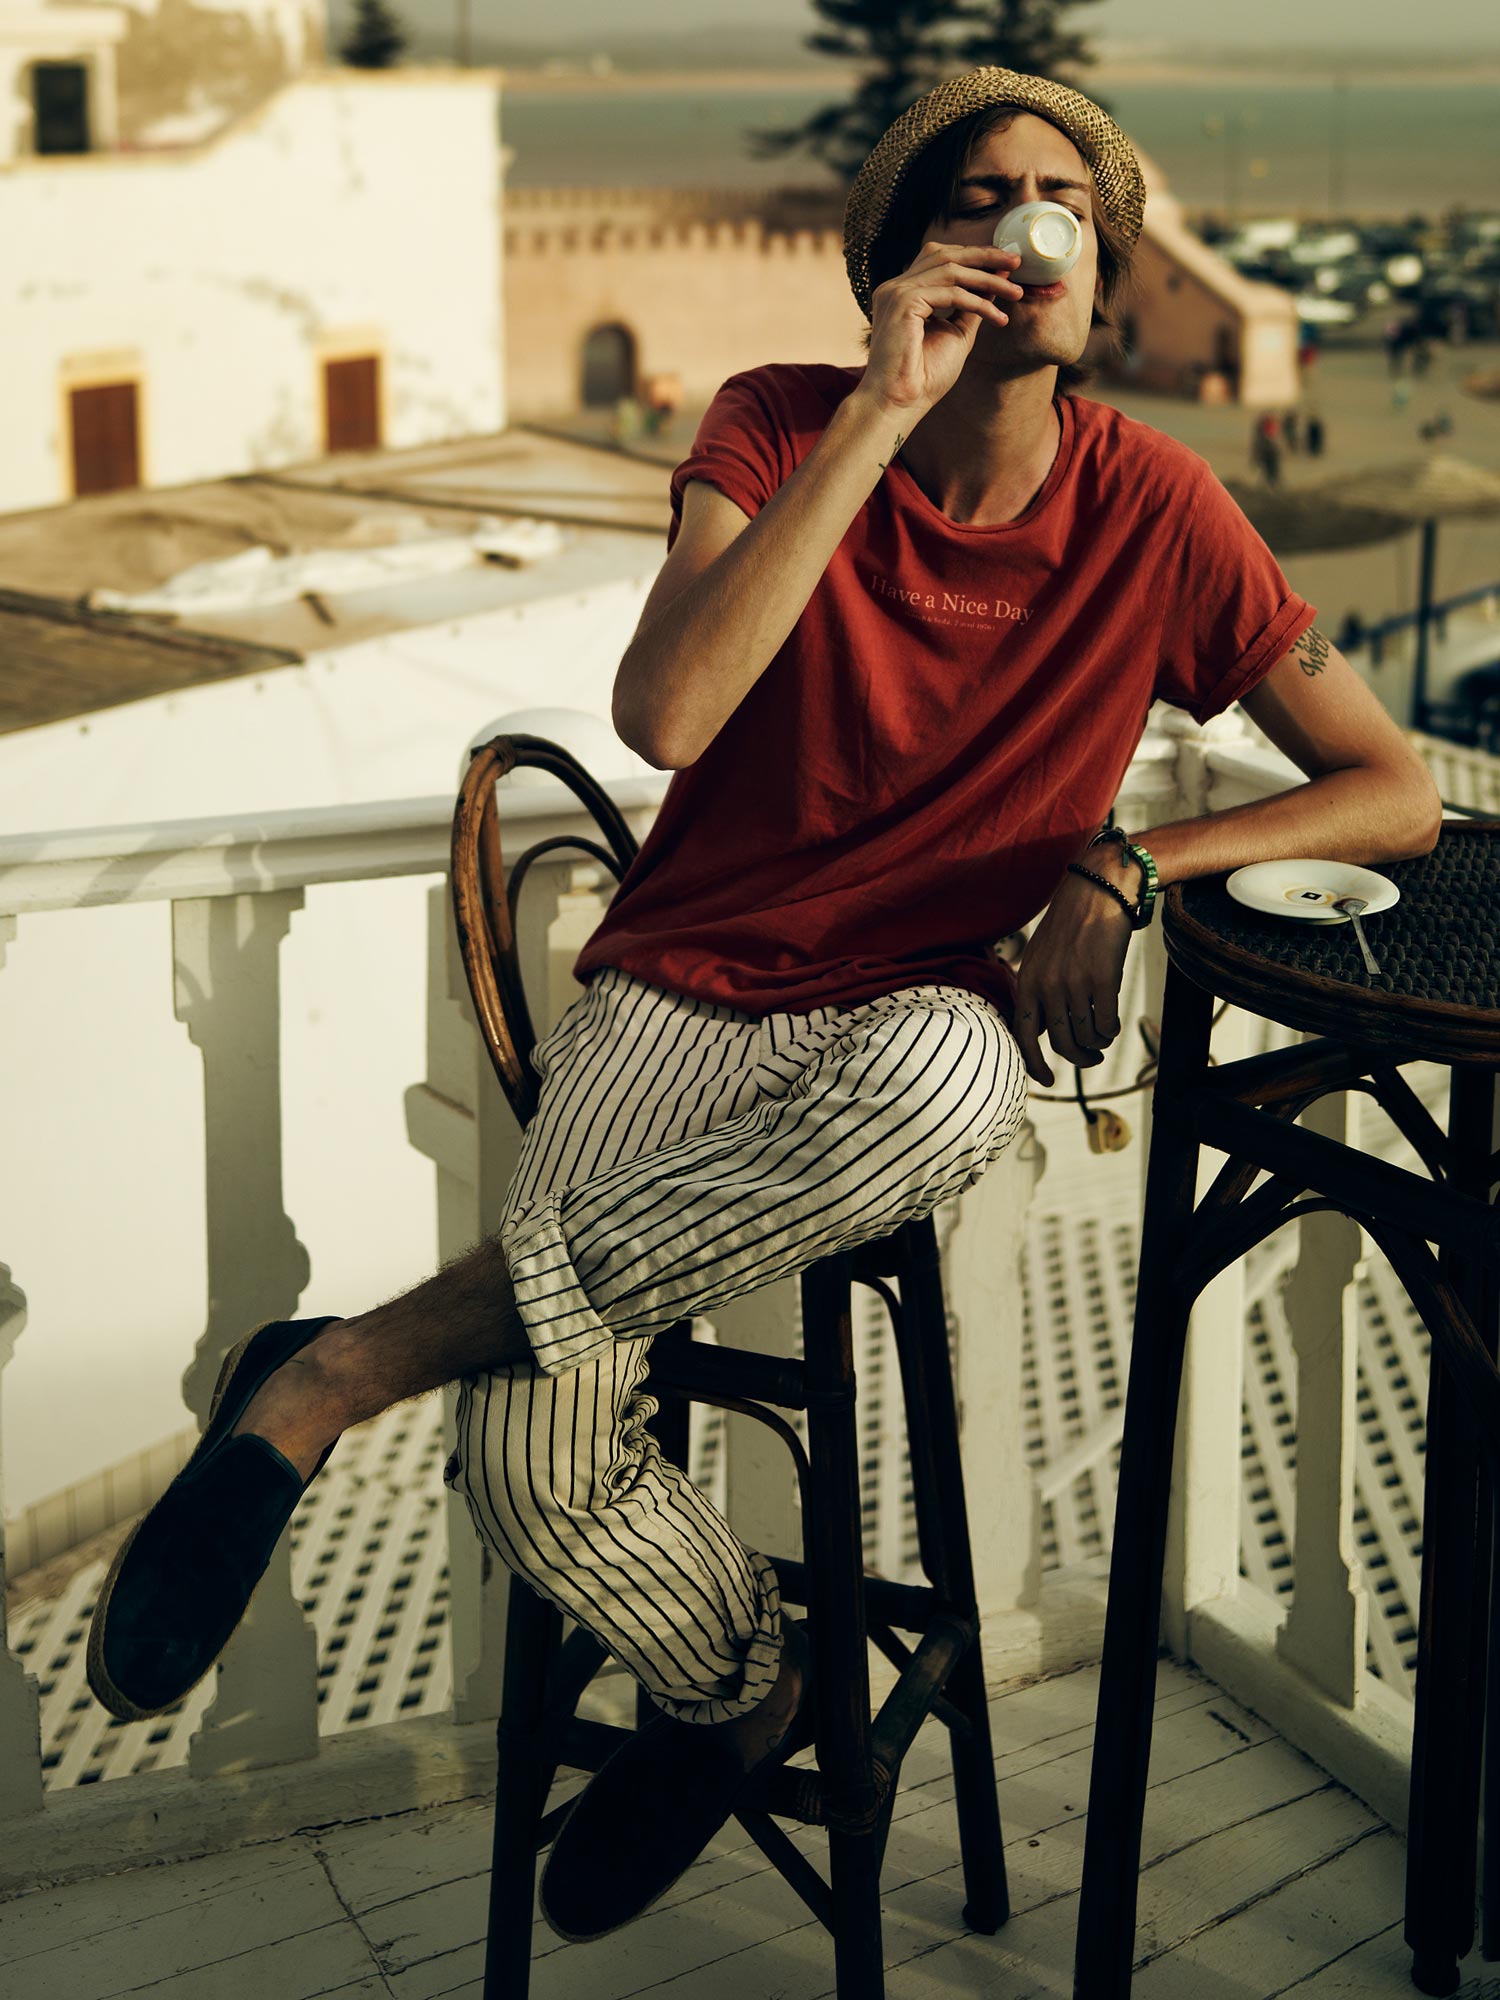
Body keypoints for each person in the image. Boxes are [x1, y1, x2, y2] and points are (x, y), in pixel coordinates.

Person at [85, 66, 1443, 1943]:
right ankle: (740, 1682)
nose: (1029, 224)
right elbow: (667, 716)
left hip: (913, 1014)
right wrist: (876, 419)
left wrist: (1128, 864)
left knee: (950, 1086)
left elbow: (1395, 789)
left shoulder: (1160, 507)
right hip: (689, 975)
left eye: (1063, 200)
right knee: (526, 1458)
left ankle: (335, 1370)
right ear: (907, 258)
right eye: (983, 195)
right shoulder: (782, 422)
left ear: (1097, 271)